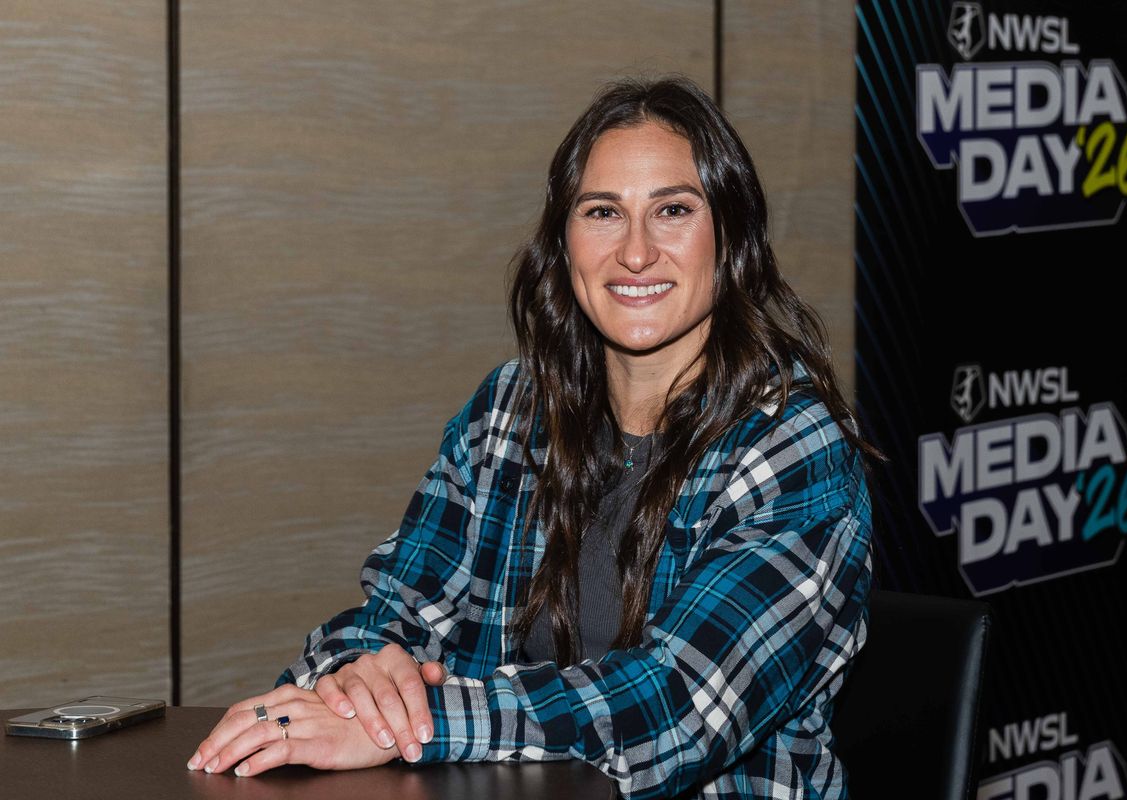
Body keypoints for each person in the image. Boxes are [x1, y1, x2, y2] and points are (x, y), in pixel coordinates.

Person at [188, 75, 875, 799]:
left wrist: (421, 723)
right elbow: (394, 616)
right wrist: (357, 679)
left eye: (673, 210)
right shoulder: (510, 410)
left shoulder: (796, 442)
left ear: (731, 236)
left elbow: (676, 707)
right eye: (603, 212)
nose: (635, 252)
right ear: (565, 243)